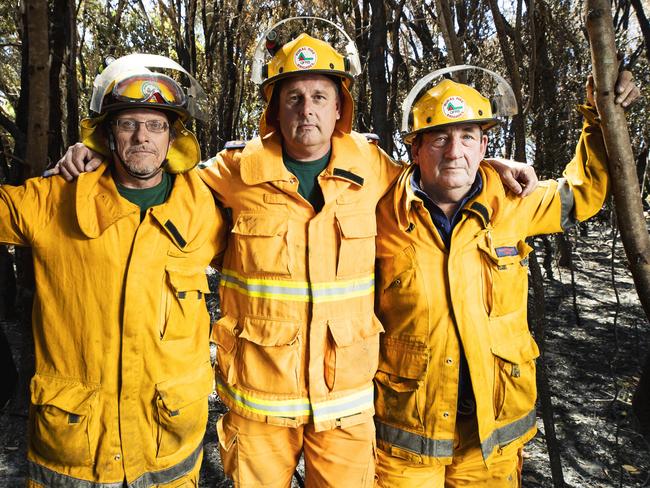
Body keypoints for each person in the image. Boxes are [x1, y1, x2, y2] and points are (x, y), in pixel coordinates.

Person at [52, 22, 538, 488]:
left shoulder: (375, 168)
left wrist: (488, 165)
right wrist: (95, 153)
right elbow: (154, 172)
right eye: (294, 97)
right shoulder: (229, 173)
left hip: (345, 406)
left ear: (339, 108)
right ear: (274, 109)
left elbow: (437, 171)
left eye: (320, 97)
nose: (307, 109)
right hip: (258, 404)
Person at [372, 69, 639, 487]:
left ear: (484, 145)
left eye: (467, 137)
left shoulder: (514, 203)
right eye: (439, 137)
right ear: (415, 148)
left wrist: (602, 114)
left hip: (490, 438)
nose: (453, 151)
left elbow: (584, 192)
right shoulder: (380, 209)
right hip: (406, 438)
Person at [1, 54, 225, 487]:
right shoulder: (54, 200)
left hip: (166, 446)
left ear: (173, 138)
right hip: (76, 452)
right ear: (107, 134)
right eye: (128, 124)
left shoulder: (206, 209)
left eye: (157, 125)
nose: (143, 137)